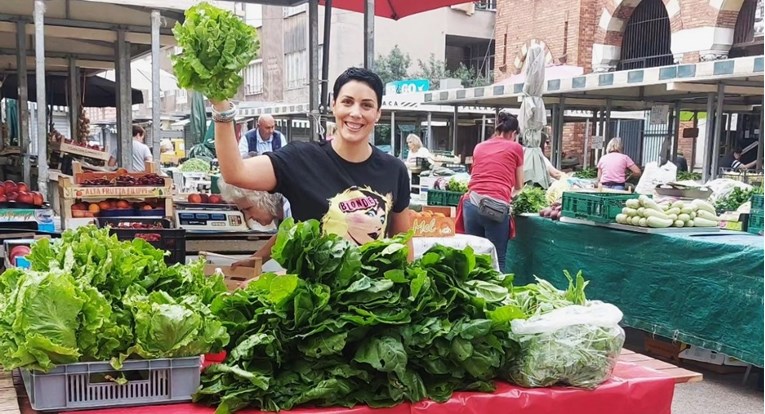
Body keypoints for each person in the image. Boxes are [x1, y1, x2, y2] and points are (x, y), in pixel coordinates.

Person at [213, 67, 411, 247]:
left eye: (366, 105)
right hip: (311, 287)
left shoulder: (394, 170)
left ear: (377, 114)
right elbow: (235, 173)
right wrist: (222, 109)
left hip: (373, 286)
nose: (355, 113)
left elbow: (403, 247)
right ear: (334, 105)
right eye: (347, 102)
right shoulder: (301, 159)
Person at [456, 111, 524, 273]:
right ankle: (498, 296)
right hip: (496, 209)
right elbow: (519, 184)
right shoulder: (516, 148)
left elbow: (477, 175)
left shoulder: (479, 146)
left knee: (474, 257)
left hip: (471, 204)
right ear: (513, 133)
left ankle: (473, 295)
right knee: (497, 259)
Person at [217, 177, 291, 267]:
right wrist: (252, 262)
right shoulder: (282, 213)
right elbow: (282, 235)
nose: (248, 217)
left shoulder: (294, 209)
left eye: (248, 209)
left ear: (264, 197)